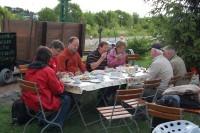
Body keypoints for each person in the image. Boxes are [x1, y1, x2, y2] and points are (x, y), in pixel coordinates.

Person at [21, 46, 71, 127]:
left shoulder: (29, 69)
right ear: (48, 58)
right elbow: (58, 91)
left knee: (62, 96)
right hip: (42, 102)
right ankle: (54, 123)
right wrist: (61, 82)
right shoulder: (47, 70)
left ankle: (43, 118)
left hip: (29, 101)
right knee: (66, 98)